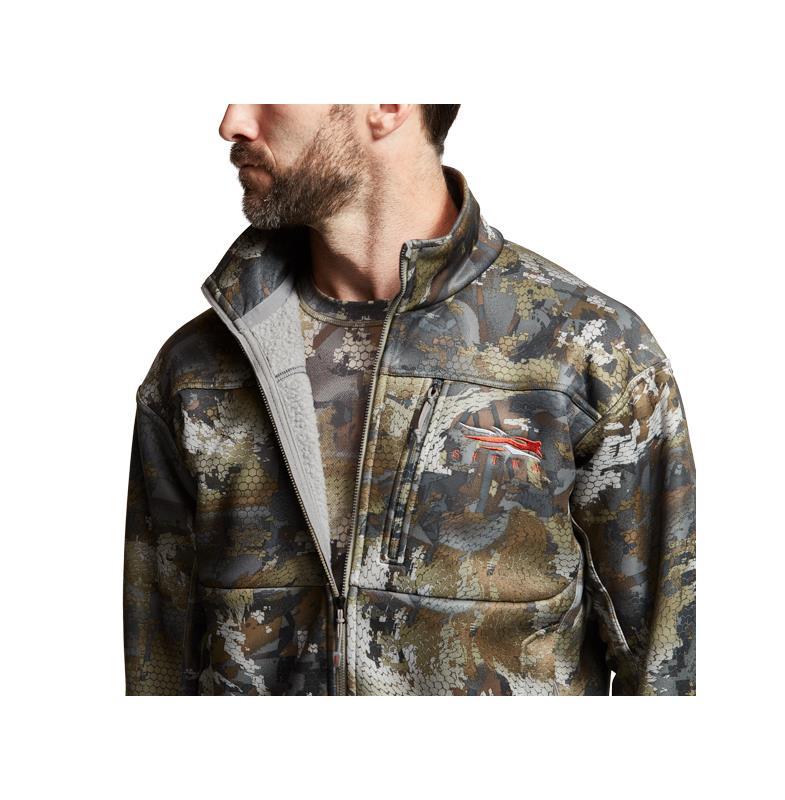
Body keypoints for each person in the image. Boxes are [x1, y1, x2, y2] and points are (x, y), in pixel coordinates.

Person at [123, 104, 696, 696]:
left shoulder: (589, 354)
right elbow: (157, 675)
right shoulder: (196, 373)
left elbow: (668, 674)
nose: (233, 122)